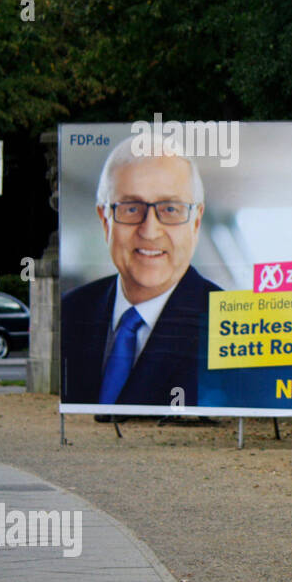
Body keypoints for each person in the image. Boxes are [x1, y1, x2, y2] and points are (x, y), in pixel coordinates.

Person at [61, 135, 221, 406]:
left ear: (195, 223)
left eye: (170, 209)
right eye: (131, 208)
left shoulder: (224, 325)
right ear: (105, 220)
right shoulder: (71, 311)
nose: (149, 230)